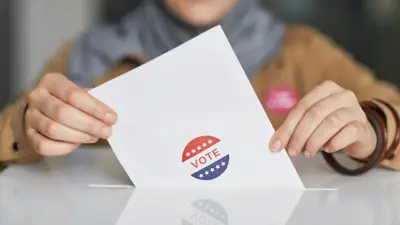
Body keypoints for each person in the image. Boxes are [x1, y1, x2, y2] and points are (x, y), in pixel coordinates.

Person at [0, 0, 399, 174]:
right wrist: (27, 125)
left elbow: (389, 109)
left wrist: (373, 130)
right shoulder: (91, 58)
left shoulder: (304, 53)